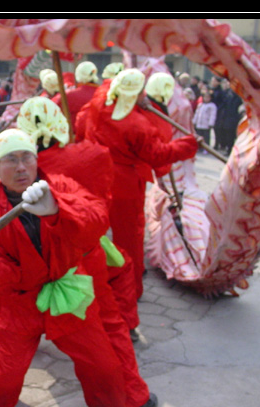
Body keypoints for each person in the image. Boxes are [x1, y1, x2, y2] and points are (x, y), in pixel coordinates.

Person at [0, 128, 154, 407]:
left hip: (68, 294)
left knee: (103, 363)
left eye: (27, 157)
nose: (21, 166)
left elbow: (96, 221)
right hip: (18, 305)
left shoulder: (61, 187)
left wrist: (57, 211)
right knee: (5, 376)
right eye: (10, 160)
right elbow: (3, 270)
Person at [17, 96, 154, 398]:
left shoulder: (20, 170)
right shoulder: (92, 154)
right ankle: (132, 396)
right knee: (110, 319)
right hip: (86, 253)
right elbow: (103, 201)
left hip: (36, 263)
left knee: (13, 342)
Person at [81, 68, 199, 299]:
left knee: (95, 233)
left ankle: (95, 281)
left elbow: (80, 122)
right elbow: (158, 154)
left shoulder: (99, 106)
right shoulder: (137, 124)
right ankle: (130, 290)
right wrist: (189, 144)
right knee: (130, 239)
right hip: (125, 184)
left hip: (97, 177)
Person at [51, 61, 100, 135]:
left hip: (74, 139)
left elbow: (51, 111)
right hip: (99, 140)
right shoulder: (105, 94)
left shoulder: (68, 95)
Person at [214, 78, 242, 155]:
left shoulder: (238, 95)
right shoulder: (227, 93)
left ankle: (230, 149)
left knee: (231, 134)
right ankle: (226, 147)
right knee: (226, 132)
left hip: (234, 116)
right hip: (226, 116)